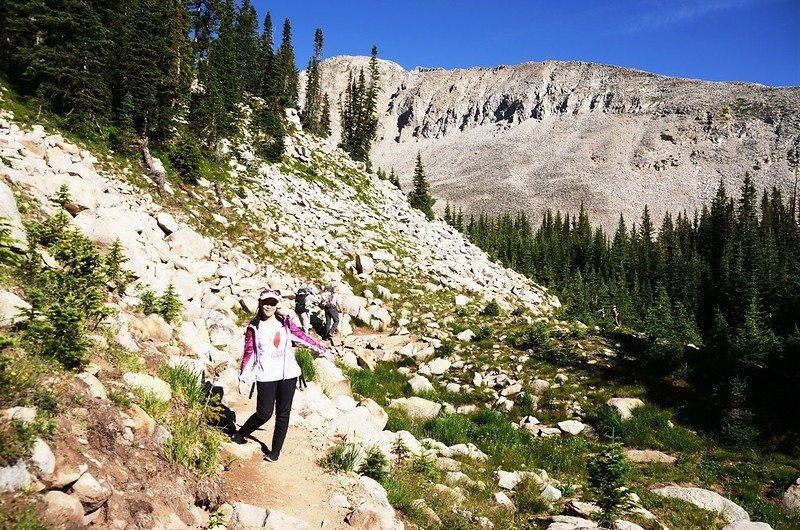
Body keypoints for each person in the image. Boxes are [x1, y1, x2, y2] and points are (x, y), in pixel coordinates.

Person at [231, 289, 333, 461]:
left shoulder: (284, 322)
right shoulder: (254, 327)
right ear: (260, 303)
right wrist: (243, 378)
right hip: (266, 375)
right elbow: (249, 353)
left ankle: (275, 451)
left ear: (277, 305)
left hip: (288, 374)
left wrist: (322, 350)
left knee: (283, 414)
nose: (269, 306)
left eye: (272, 303)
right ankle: (241, 433)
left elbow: (301, 338)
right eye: (265, 302)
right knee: (264, 413)